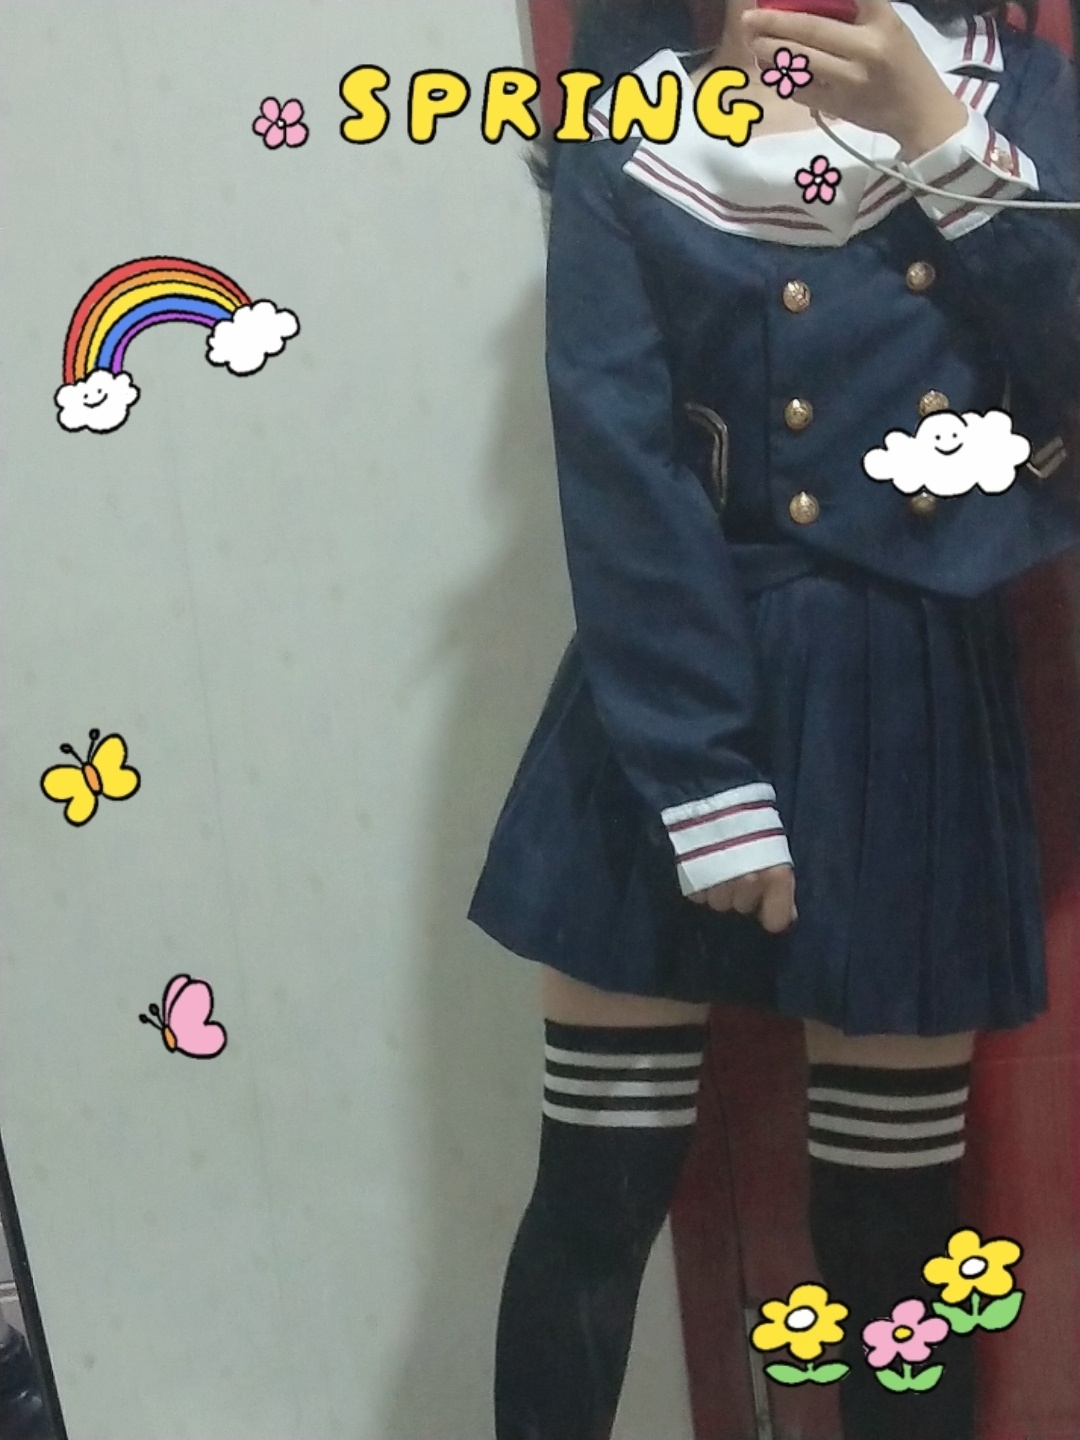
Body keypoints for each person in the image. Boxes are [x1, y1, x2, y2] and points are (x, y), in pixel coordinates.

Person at [468, 0, 1080, 1435]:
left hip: (911, 702)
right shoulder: (631, 130)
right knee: (594, 1194)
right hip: (668, 694)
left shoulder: (1016, 95)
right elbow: (617, 460)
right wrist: (706, 782)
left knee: (895, 1234)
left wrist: (941, 141)